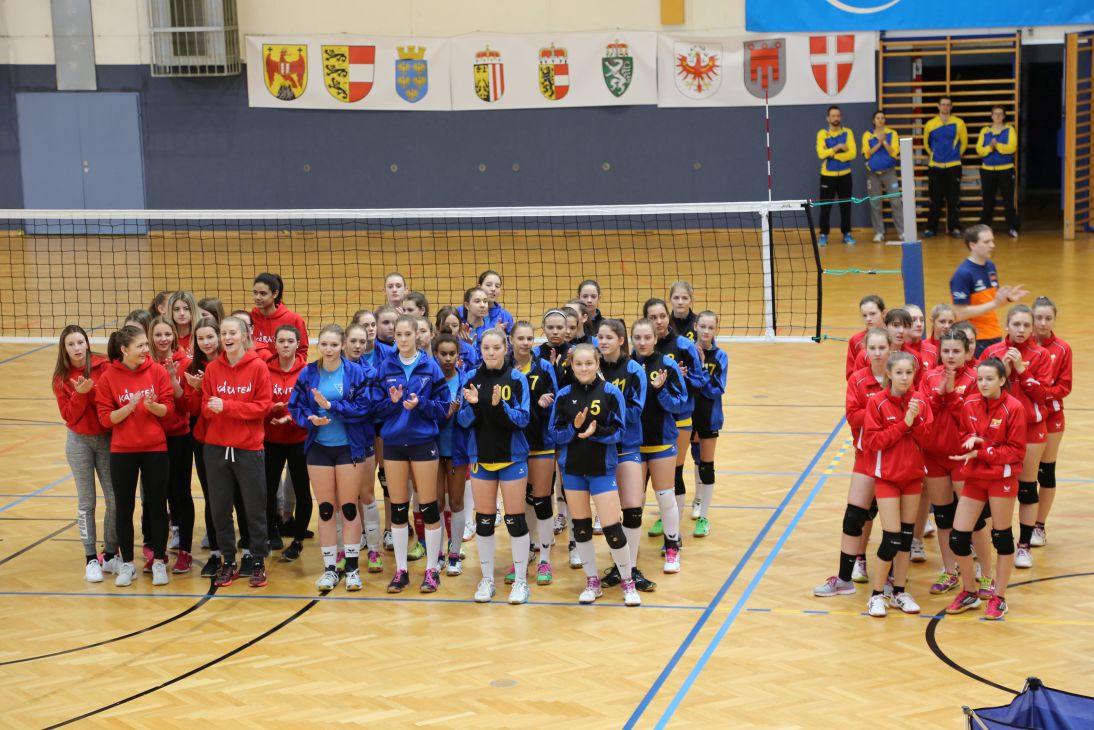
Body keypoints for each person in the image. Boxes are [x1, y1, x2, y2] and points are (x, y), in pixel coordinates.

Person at [549, 343, 640, 606]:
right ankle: (592, 581)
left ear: (597, 364)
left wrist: (595, 431)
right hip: (573, 470)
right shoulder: (564, 395)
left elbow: (620, 432)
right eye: (578, 364)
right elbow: (555, 434)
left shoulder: (611, 393)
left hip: (602, 469)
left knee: (612, 528)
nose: (584, 368)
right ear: (571, 366)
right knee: (581, 528)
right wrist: (574, 428)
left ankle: (627, 582)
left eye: (589, 363)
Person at [371, 315, 452, 593]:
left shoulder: (430, 367)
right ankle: (401, 570)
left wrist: (421, 403)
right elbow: (375, 409)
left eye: (408, 334)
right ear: (394, 336)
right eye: (399, 334)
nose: (403, 339)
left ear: (417, 335)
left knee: (428, 506)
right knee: (398, 508)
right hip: (394, 443)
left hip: (422, 442)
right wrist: (391, 403)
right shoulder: (385, 367)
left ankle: (431, 570)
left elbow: (443, 408)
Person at [289, 324, 373, 591]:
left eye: (334, 345)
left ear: (343, 345)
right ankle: (329, 570)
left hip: (349, 447)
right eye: (324, 344)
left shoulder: (355, 372)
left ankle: (352, 570)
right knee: (326, 509)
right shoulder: (309, 373)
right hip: (319, 448)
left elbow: (363, 408)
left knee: (348, 507)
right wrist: (310, 418)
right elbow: (295, 405)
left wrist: (331, 406)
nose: (328, 349)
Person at [945, 358, 1025, 620]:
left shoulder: (1014, 408)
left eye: (989, 379)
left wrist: (983, 449)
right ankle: (970, 591)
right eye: (980, 379)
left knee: (1001, 537)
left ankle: (999, 597)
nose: (983, 383)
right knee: (958, 538)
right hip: (976, 477)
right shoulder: (969, 404)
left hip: (1002, 477)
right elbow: (964, 436)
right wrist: (971, 441)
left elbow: (1016, 451)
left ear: (1002, 380)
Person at [94, 325, 174, 587]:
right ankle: (127, 564)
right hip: (123, 452)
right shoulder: (108, 377)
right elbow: (106, 419)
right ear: (124, 349)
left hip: (155, 450)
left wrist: (153, 406)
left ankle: (159, 561)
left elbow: (168, 410)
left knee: (157, 507)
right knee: (124, 508)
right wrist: (129, 407)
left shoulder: (157, 371)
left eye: (145, 345)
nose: (145, 350)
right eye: (140, 346)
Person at [457, 328, 532, 604]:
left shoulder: (516, 379)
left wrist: (500, 406)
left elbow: (523, 419)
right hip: (481, 457)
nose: (491, 352)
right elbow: (463, 421)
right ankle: (487, 579)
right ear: (480, 350)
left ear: (505, 349)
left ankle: (521, 581)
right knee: (484, 521)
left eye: (496, 348)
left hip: (512, 457)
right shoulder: (470, 378)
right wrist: (476, 406)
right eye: (486, 348)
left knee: (515, 520)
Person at [815, 328, 890, 597]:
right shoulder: (858, 380)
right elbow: (853, 416)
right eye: (873, 348)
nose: (878, 353)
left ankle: (891, 580)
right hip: (866, 455)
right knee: (853, 518)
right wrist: (882, 411)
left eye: (882, 348)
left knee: (893, 525)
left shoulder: (900, 375)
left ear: (890, 349)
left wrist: (876, 413)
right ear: (866, 351)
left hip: (895, 458)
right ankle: (844, 579)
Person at [201, 316, 273, 588]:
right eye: (223, 333)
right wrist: (215, 408)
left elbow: (263, 407)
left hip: (248, 449)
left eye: (232, 332)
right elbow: (206, 407)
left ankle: (258, 560)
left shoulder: (258, 367)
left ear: (244, 336)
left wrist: (227, 407)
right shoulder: (212, 369)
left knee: (254, 508)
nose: (227, 337)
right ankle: (228, 560)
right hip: (216, 448)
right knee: (220, 509)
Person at [862, 352, 932, 618]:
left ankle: (899, 591)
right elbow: (873, 442)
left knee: (905, 537)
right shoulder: (877, 403)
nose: (904, 378)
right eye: (899, 373)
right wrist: (905, 424)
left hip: (912, 476)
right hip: (887, 478)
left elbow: (929, 439)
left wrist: (917, 421)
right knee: (891, 538)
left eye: (909, 373)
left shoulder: (920, 401)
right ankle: (877, 595)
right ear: (889, 374)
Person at [980, 305, 1050, 569]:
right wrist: (1004, 376)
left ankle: (1024, 545)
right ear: (1006, 325)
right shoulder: (992, 353)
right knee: (992, 489)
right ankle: (992, 542)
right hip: (998, 430)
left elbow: (1043, 395)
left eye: (1026, 325)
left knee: (1027, 488)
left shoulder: (1041, 355)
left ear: (1032, 328)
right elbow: (980, 391)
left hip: (1031, 429)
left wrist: (1023, 370)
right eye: (1016, 324)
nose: (1021, 330)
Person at [53, 325, 119, 583]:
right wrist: (80, 395)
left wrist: (91, 392)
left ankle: (110, 553)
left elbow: (110, 402)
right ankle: (91, 558)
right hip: (79, 442)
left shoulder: (105, 366)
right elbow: (69, 416)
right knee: (86, 502)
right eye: (71, 344)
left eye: (80, 342)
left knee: (114, 499)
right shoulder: (61, 378)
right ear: (64, 348)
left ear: (88, 343)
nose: (77, 348)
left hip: (106, 439)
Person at [642, 298, 708, 547]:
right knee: (648, 480)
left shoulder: (683, 345)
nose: (659, 321)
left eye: (662, 316)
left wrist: (682, 377)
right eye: (653, 317)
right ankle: (665, 518)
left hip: (678, 420)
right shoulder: (640, 349)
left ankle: (674, 531)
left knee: (674, 475)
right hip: (648, 424)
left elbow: (700, 382)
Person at [596, 319, 655, 592]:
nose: (603, 342)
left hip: (628, 445)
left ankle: (630, 569)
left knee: (632, 508)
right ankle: (619, 567)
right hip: (600, 447)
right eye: (600, 337)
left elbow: (634, 412)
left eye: (609, 337)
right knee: (610, 515)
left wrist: (605, 408)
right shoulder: (592, 367)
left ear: (621, 340)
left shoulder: (633, 370)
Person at [631, 318, 689, 573]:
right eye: (638, 338)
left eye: (647, 337)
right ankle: (629, 551)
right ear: (631, 340)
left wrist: (660, 390)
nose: (642, 342)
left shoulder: (667, 364)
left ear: (656, 339)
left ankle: (672, 547)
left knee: (665, 496)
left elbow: (680, 403)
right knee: (634, 500)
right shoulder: (627, 366)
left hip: (662, 441)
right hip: (633, 444)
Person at [509, 321, 559, 587]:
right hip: (514, 444)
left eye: (530, 338)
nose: (526, 343)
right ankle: (525, 549)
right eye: (521, 338)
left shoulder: (544, 367)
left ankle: (545, 559)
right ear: (511, 340)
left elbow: (557, 402)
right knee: (518, 502)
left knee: (541, 500)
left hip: (541, 442)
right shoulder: (505, 368)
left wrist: (543, 405)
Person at [149, 315, 195, 573]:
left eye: (167, 334)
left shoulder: (185, 362)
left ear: (174, 337)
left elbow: (186, 405)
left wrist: (174, 380)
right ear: (151, 337)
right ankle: (157, 552)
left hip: (179, 436)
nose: (163, 339)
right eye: (158, 335)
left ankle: (185, 551)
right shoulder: (144, 363)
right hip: (152, 439)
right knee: (156, 495)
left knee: (181, 493)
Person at [265, 324, 311, 562]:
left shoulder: (307, 371)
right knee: (267, 489)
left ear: (297, 344)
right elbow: (258, 399)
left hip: (298, 439)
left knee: (302, 490)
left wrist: (290, 417)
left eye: (290, 341)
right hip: (271, 439)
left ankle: (298, 539)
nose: (285, 345)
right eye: (281, 341)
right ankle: (272, 530)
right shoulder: (264, 369)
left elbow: (310, 404)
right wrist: (270, 409)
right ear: (275, 344)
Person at [950, 224, 1028, 357]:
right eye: (986, 242)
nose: (992, 245)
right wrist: (994, 303)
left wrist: (1007, 299)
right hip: (976, 339)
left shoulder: (990, 266)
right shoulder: (963, 274)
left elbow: (993, 303)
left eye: (992, 241)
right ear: (973, 245)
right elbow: (960, 313)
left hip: (994, 334)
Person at [1032, 296, 1071, 549]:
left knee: (1045, 472)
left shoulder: (1062, 348)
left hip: (1052, 417)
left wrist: (1040, 394)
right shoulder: (1021, 346)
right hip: (1025, 418)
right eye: (1039, 318)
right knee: (1020, 476)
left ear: (1055, 319)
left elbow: (1064, 386)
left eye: (1048, 318)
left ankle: (1039, 525)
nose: (1043, 323)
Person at [432, 334, 469, 575]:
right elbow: (425, 414)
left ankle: (454, 553)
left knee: (455, 502)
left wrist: (459, 412)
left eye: (452, 354)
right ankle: (437, 555)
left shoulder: (466, 381)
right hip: (433, 449)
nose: (447, 358)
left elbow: (472, 417)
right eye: (443, 354)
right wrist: (444, 413)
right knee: (436, 503)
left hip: (457, 449)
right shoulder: (430, 380)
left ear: (458, 355)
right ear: (436, 354)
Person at [690, 311, 728, 536]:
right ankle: (678, 509)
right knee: (679, 465)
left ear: (716, 330)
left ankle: (703, 514)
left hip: (709, 416)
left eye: (710, 327)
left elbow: (716, 389)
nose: (706, 331)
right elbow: (686, 383)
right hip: (686, 415)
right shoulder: (687, 351)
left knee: (706, 464)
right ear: (695, 326)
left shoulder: (721, 356)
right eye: (702, 326)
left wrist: (702, 369)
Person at [923, 96, 968, 238]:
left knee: (953, 199)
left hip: (953, 166)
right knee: (935, 199)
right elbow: (926, 143)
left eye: (948, 105)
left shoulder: (959, 123)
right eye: (943, 104)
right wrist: (934, 155)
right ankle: (931, 228)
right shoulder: (930, 124)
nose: (945, 107)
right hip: (935, 167)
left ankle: (954, 228)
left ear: (951, 107)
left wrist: (955, 155)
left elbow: (964, 143)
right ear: (938, 106)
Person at [815, 104, 857, 246]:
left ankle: (847, 234)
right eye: (833, 116)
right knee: (825, 207)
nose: (836, 118)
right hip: (827, 176)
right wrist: (838, 147)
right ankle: (823, 235)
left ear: (841, 117)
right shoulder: (822, 134)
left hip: (845, 175)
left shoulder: (848, 132)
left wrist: (832, 154)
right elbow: (821, 154)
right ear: (828, 118)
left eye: (838, 115)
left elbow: (852, 154)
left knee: (846, 206)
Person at [862, 110, 905, 243]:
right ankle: (879, 232)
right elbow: (867, 153)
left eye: (882, 118)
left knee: (896, 202)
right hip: (873, 174)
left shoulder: (892, 133)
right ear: (873, 121)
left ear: (885, 120)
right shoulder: (867, 135)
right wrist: (879, 143)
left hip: (889, 173)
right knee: (875, 203)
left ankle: (902, 232)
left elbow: (894, 153)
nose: (880, 120)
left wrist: (884, 141)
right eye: (878, 118)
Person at [976, 105, 1019, 237]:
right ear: (991, 116)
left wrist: (998, 145)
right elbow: (979, 150)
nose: (998, 116)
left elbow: (1012, 148)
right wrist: (990, 147)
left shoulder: (1010, 129)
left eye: (1000, 114)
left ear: (1004, 116)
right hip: (987, 170)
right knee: (988, 201)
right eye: (996, 114)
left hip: (1006, 170)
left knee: (1008, 200)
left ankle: (1012, 227)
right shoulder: (984, 131)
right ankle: (984, 229)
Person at [251, 272, 309, 359]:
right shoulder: (249, 319)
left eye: (263, 293)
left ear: (275, 294)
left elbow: (302, 352)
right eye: (255, 293)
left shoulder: (294, 320)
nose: (257, 297)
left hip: (284, 367)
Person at [845, 295, 886, 380]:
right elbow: (851, 375)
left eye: (872, 314)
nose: (868, 319)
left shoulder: (894, 337)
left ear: (883, 313)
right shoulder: (855, 341)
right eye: (864, 315)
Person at [167, 291, 199, 355]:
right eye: (176, 309)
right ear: (171, 312)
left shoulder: (201, 335)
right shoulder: (165, 337)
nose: (182, 313)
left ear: (193, 310)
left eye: (186, 309)